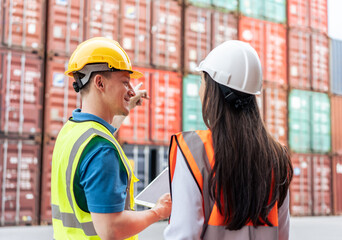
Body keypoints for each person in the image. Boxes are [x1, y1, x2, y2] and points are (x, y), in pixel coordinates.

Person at [164, 40, 293, 240]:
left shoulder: (193, 151)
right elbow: (282, 234)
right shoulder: (277, 157)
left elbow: (184, 235)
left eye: (202, 82)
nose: (200, 91)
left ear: (213, 91)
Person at [51, 37, 171, 240]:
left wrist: (124, 106)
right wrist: (158, 212)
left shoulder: (71, 130)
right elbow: (111, 228)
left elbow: (99, 138)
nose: (132, 90)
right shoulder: (102, 150)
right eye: (125, 82)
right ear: (99, 82)